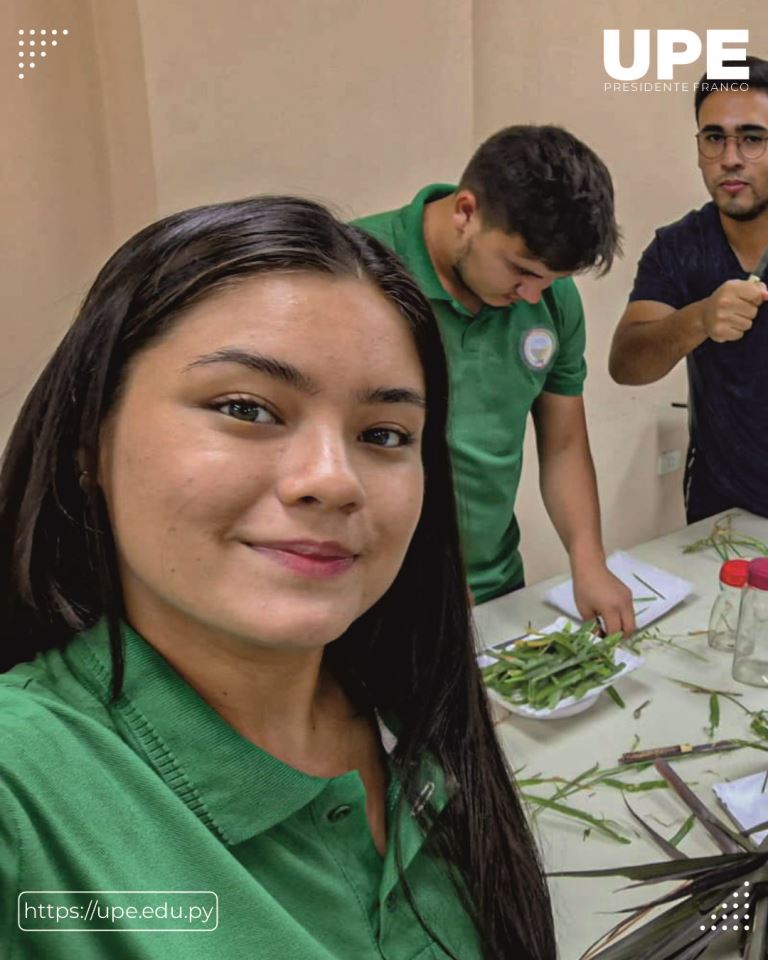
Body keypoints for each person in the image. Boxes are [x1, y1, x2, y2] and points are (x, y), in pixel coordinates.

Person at [0, 197, 557, 959]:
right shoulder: (25, 788)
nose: (334, 481)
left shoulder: (413, 714)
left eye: (385, 434)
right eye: (247, 409)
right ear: (88, 441)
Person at [354, 125, 635, 634]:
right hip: (372, 590)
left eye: (551, 281)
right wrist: (415, 571)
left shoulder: (549, 301)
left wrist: (588, 559)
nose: (532, 295)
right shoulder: (354, 273)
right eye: (521, 270)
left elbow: (564, 443)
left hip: (496, 587)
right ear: (466, 212)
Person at [609, 56, 768, 523]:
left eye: (753, 139)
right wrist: (698, 319)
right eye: (714, 137)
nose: (731, 158)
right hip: (722, 506)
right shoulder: (677, 248)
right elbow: (626, 363)